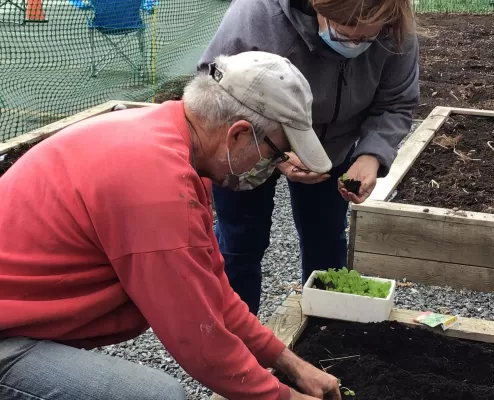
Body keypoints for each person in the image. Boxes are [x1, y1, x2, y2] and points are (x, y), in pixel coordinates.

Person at [0, 51, 340, 400]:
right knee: (159, 395)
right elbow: (198, 337)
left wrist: (293, 366)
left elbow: (213, 292)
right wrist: (284, 397)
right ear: (238, 135)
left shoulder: (168, 142)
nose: (272, 167)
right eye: (274, 154)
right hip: (7, 337)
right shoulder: (156, 185)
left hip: (21, 318)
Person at [197, 0, 420, 315]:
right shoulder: (257, 14)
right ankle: (234, 341)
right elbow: (211, 88)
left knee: (326, 239)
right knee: (240, 241)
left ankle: (325, 333)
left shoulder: (394, 24)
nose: (356, 45)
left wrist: (370, 155)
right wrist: (277, 153)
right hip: (253, 145)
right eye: (346, 35)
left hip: (334, 149)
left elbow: (396, 102)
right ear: (319, 8)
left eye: (368, 39)